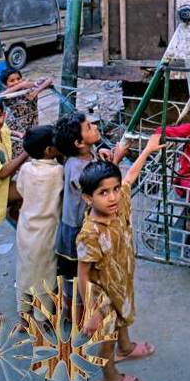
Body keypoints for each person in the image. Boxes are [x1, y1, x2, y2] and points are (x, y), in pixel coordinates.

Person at [76, 133, 164, 381]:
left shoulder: (119, 204)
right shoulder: (89, 234)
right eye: (103, 193)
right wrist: (92, 311)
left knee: (123, 315)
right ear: (88, 198)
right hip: (102, 295)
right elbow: (83, 274)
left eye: (114, 190)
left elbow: (129, 178)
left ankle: (125, 349)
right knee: (107, 339)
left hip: (121, 280)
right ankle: (109, 380)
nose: (113, 197)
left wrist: (147, 150)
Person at [53, 111, 125, 295]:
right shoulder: (78, 168)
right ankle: (76, 307)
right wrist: (116, 160)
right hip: (76, 229)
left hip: (81, 224)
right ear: (79, 143)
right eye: (89, 127)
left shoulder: (82, 156)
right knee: (76, 277)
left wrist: (99, 154)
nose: (95, 126)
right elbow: (102, 187)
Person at [0, 96, 29, 324]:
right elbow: (2, 172)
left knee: (30, 188)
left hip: (1, 194)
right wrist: (27, 152)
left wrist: (23, 136)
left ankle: (16, 215)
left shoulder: (2, 130)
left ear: (4, 115)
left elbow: (10, 132)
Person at [15, 125, 64, 323]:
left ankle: (23, 310)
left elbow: (21, 189)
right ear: (49, 150)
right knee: (44, 275)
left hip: (25, 227)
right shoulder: (58, 171)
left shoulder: (26, 169)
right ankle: (41, 317)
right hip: (46, 232)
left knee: (25, 269)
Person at [0, 68, 54, 156]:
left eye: (18, 78)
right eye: (12, 81)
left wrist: (36, 91)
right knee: (19, 150)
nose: (16, 82)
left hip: (32, 124)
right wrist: (21, 85)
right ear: (5, 85)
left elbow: (49, 80)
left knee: (35, 148)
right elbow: (0, 96)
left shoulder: (29, 89)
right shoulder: (8, 94)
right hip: (17, 127)